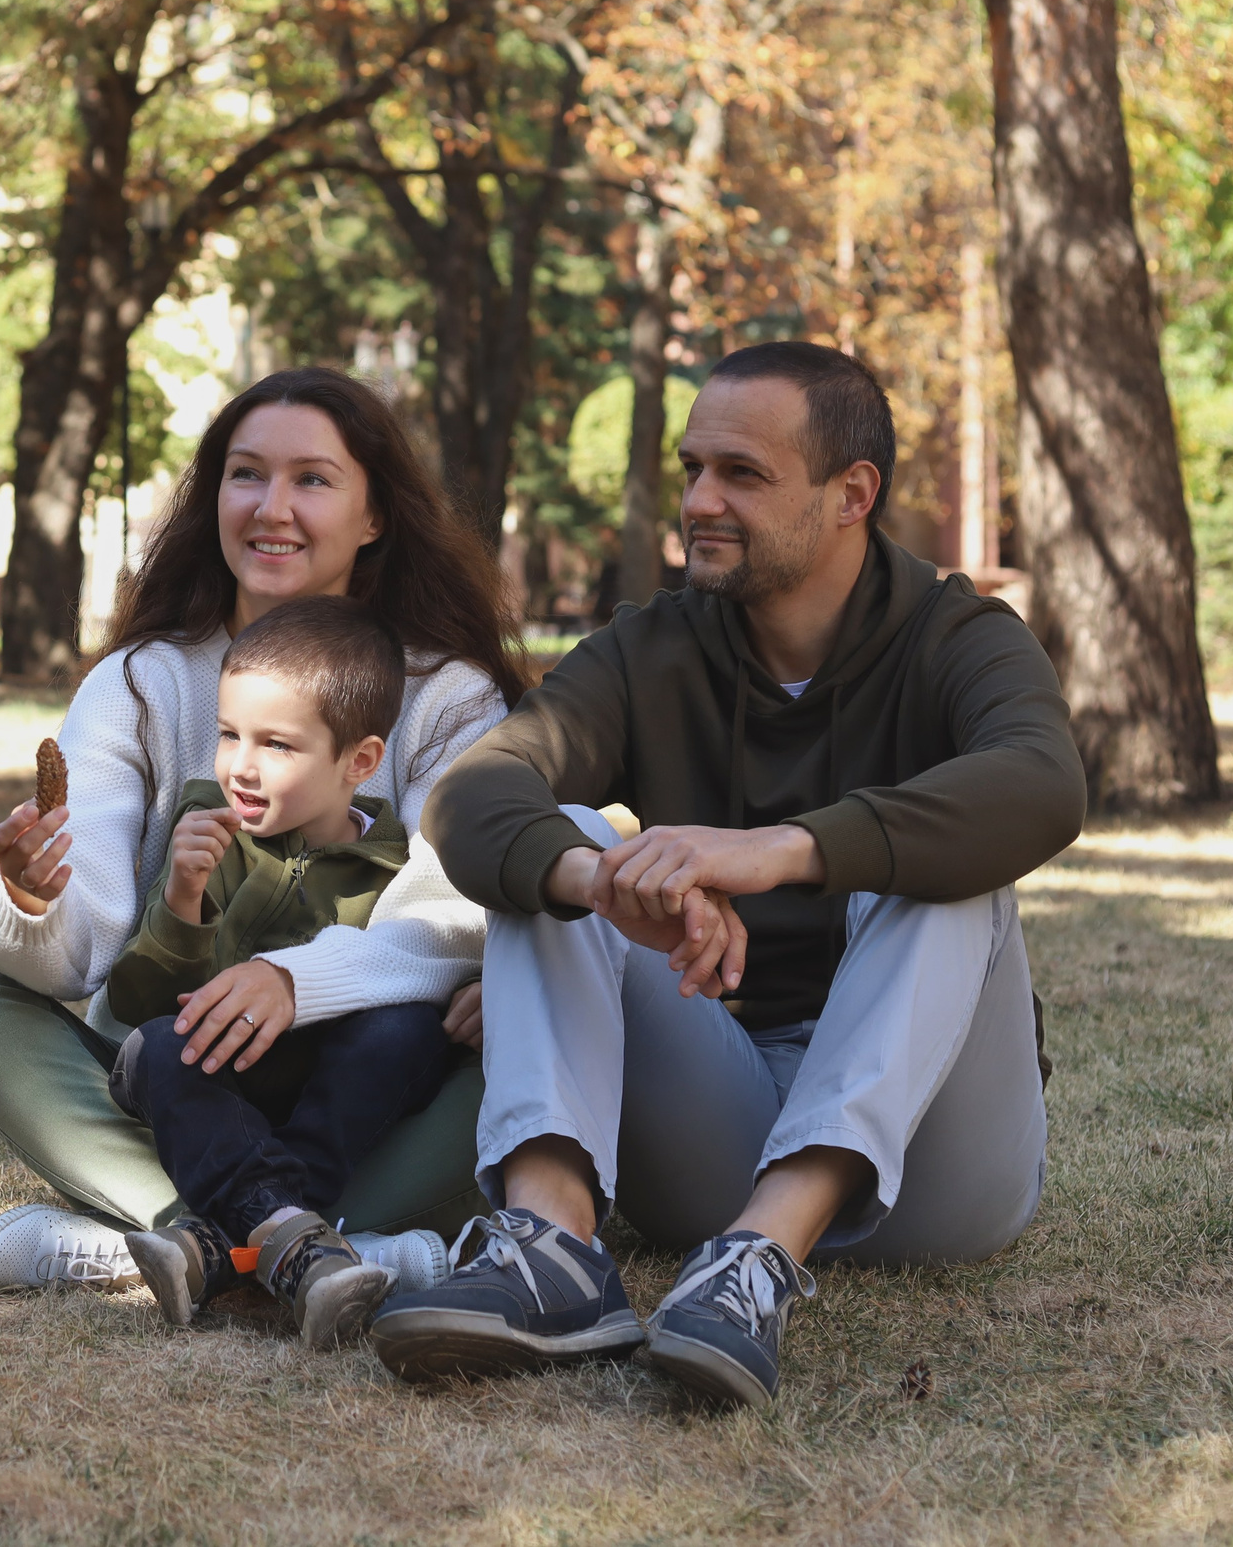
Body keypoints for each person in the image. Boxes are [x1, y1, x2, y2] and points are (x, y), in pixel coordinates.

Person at [369, 341, 1085, 1409]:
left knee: (949, 864)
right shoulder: (648, 647)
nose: (699, 498)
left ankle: (763, 1258)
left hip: (939, 1164)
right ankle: (552, 1249)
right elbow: (470, 795)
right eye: (693, 466)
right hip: (722, 1123)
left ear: (852, 495)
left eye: (741, 474)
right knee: (556, 835)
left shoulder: (956, 633)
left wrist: (783, 847)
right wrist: (596, 881)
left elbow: (1042, 781)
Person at [0, 368, 528, 1292]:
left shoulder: (448, 694)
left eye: (313, 480)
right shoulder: (142, 682)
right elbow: (77, 955)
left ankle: (177, 1249)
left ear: (376, 516)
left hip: (364, 1080)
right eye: (247, 475)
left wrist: (295, 981)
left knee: (516, 1028)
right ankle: (321, 1249)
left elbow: (453, 915)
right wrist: (32, 895)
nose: (271, 508)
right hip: (178, 1071)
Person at [106, 597, 457, 1348]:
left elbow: (415, 974)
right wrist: (181, 899)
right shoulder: (207, 827)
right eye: (229, 735)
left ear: (358, 762)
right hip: (208, 1075)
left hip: (313, 1087)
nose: (241, 766)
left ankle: (223, 1248)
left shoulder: (392, 869)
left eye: (278, 746)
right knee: (165, 1044)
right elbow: (136, 1003)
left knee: (406, 1028)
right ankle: (303, 1247)